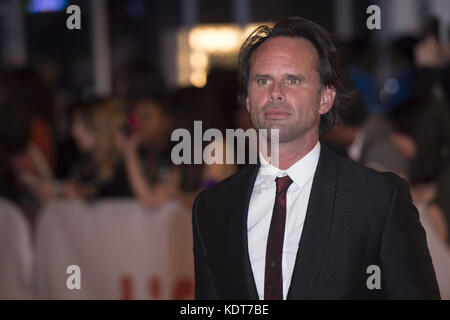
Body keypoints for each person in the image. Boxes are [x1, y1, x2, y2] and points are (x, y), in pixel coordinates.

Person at [192, 17, 440, 300]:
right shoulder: (212, 208)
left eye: (292, 80)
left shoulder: (379, 199)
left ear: (325, 98)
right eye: (263, 80)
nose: (275, 93)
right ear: (248, 99)